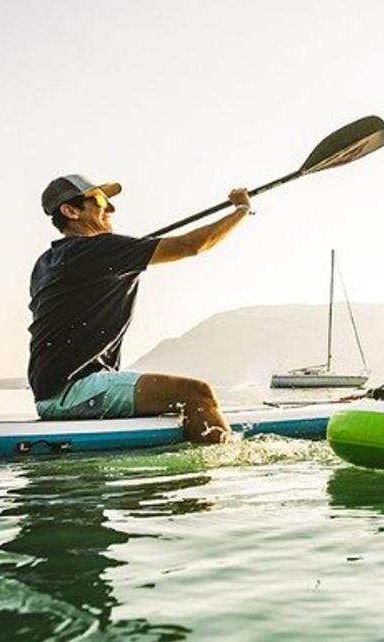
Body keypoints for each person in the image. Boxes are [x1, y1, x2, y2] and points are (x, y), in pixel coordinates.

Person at [28, 174, 253, 444]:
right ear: (70, 211)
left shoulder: (47, 263)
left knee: (178, 402)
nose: (110, 208)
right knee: (197, 394)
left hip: (50, 393)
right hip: (75, 391)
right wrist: (241, 210)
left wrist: (129, 253)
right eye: (100, 200)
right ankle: (221, 472)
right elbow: (190, 246)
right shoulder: (96, 250)